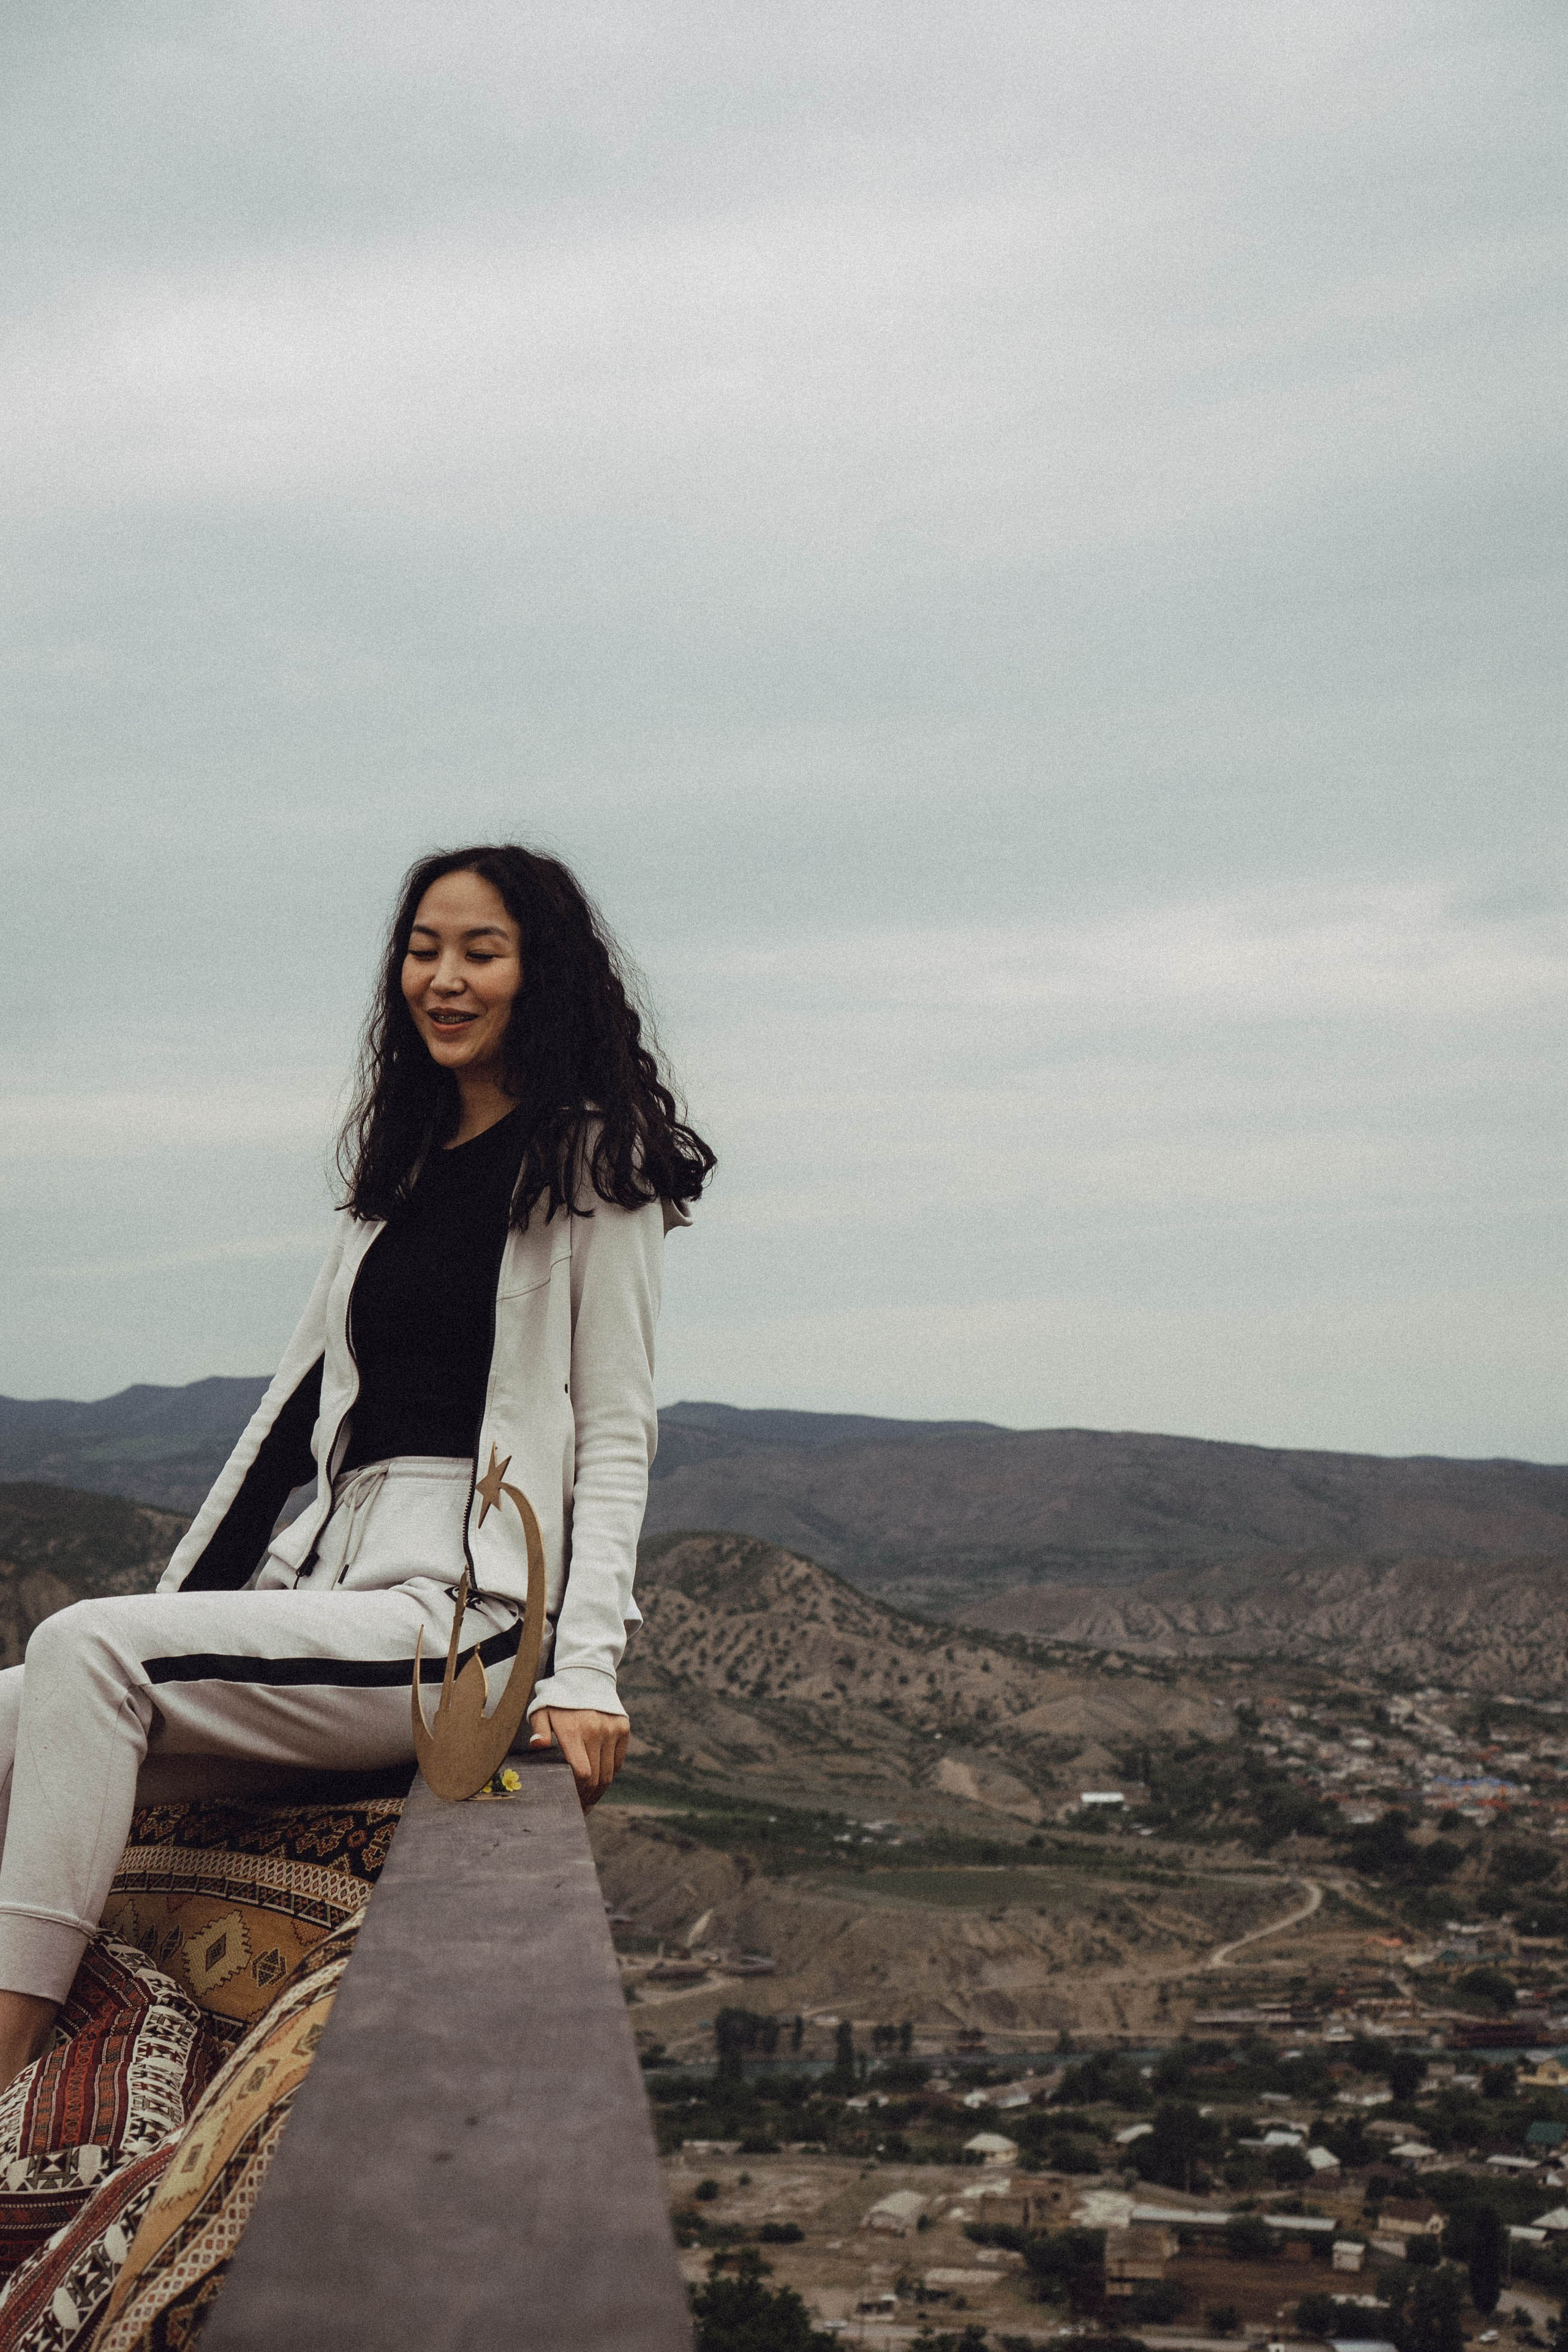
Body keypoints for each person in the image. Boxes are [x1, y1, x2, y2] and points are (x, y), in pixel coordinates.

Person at [0, 843, 713, 2089]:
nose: (443, 977)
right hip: (329, 1590)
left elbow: (613, 1429)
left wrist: (583, 1672)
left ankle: (4, 2062)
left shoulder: (593, 1163)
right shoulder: (395, 1174)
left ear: (537, 975)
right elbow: (283, 1428)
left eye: (479, 951)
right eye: (423, 948)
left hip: (468, 1618)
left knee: (81, 1650)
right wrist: (181, 1615)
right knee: (30, 1696)